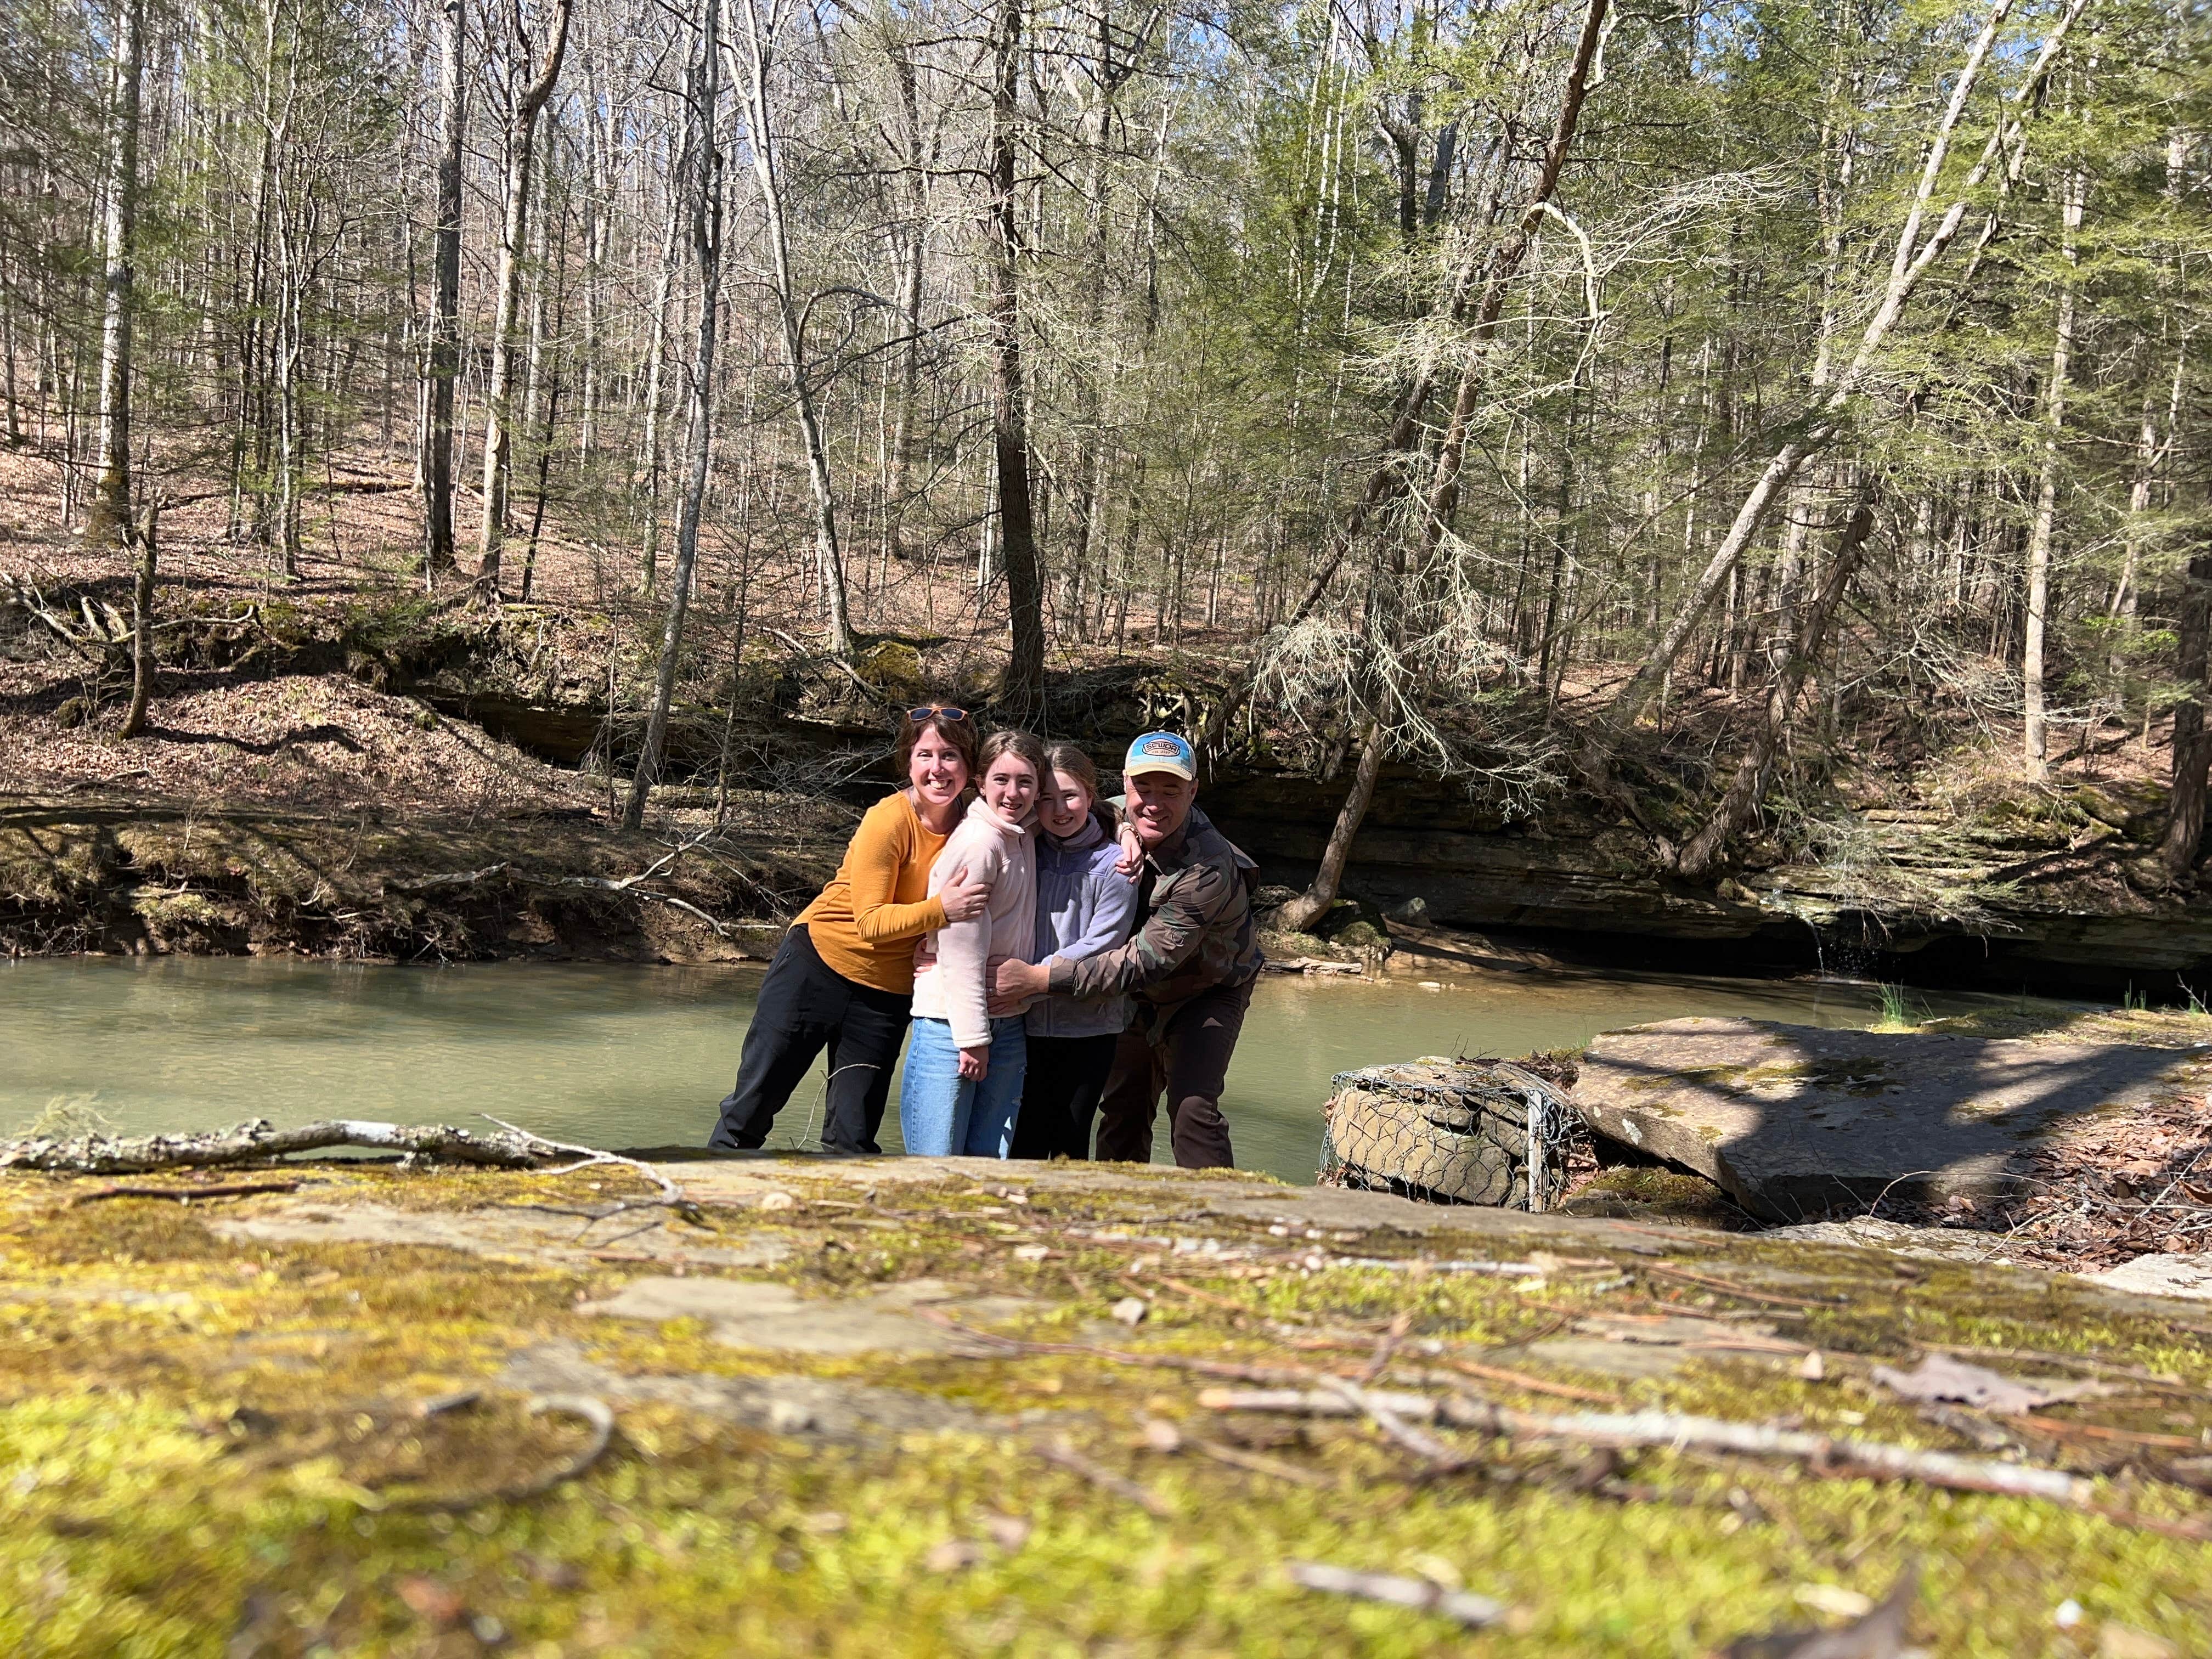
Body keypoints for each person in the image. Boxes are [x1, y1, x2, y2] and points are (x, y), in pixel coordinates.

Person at [707, 705, 989, 1154]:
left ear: (970, 766)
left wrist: (1126, 830)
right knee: (751, 1110)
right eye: (925, 755)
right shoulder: (888, 819)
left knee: (852, 1138)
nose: (938, 769)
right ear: (909, 761)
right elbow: (872, 922)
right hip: (816, 967)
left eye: (951, 755)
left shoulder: (978, 827)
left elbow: (1049, 812)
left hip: (886, 995)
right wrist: (941, 910)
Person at [992, 731, 1261, 1169]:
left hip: (1209, 990)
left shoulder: (1208, 867)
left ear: (1193, 791)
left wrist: (1041, 979)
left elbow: (1144, 961)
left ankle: (1218, 1215)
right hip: (1133, 997)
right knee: (1124, 1109)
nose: (1154, 803)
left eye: (1171, 791)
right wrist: (1122, 828)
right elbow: (1083, 808)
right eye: (1144, 789)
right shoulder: (1105, 807)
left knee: (1193, 1109)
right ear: (1125, 784)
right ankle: (1117, 1217)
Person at [900, 729, 1044, 1158]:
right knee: (936, 1166)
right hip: (951, 1029)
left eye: (1026, 782)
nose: (1013, 793)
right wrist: (974, 1038)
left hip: (1009, 1024)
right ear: (981, 782)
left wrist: (1124, 824)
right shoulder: (980, 844)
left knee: (987, 1166)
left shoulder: (1022, 832)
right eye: (1001, 780)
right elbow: (961, 949)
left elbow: (1081, 806)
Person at [1008, 743, 1142, 1160]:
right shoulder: (1026, 849)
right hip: (1022, 1024)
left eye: (1069, 795)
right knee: (1022, 1139)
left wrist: (1029, 980)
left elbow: (1103, 943)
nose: (1058, 809)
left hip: (1089, 1026)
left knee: (1069, 1141)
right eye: (1045, 798)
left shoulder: (1115, 864)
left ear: (1090, 794)